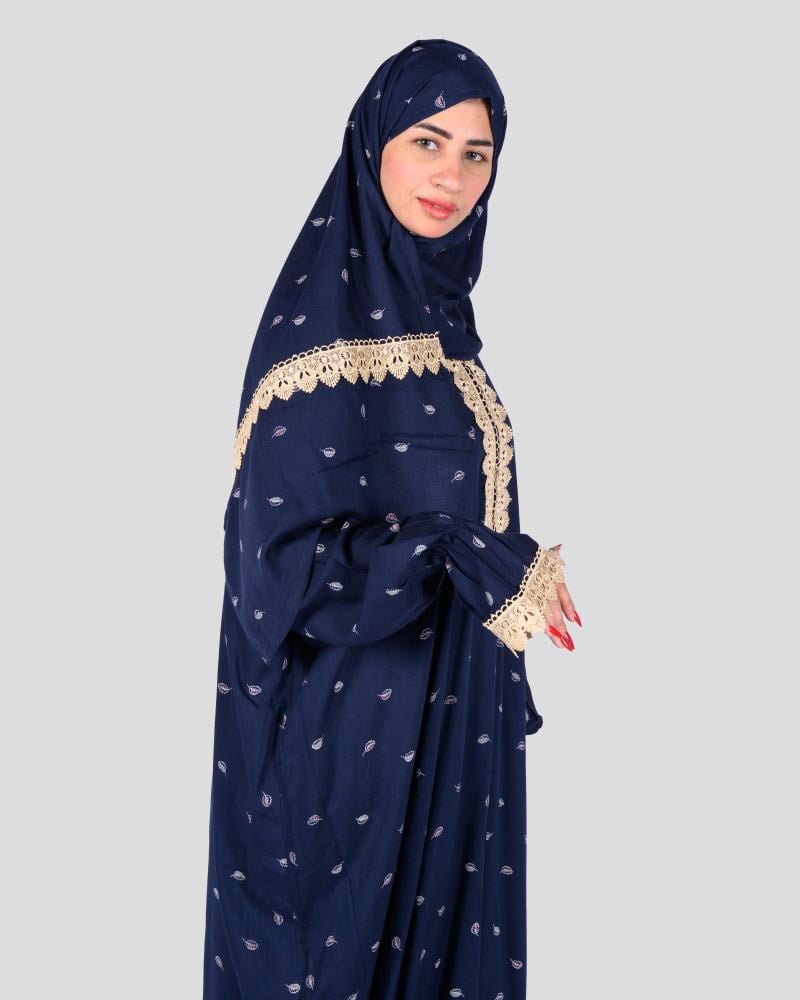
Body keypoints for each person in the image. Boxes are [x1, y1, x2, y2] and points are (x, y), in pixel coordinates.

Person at [203, 37, 581, 1000]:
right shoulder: (313, 344)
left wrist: (489, 564)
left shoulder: (447, 337)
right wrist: (455, 551)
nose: (452, 176)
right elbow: (273, 572)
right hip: (348, 762)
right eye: (427, 141)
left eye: (476, 153)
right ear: (373, 145)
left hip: (455, 733)